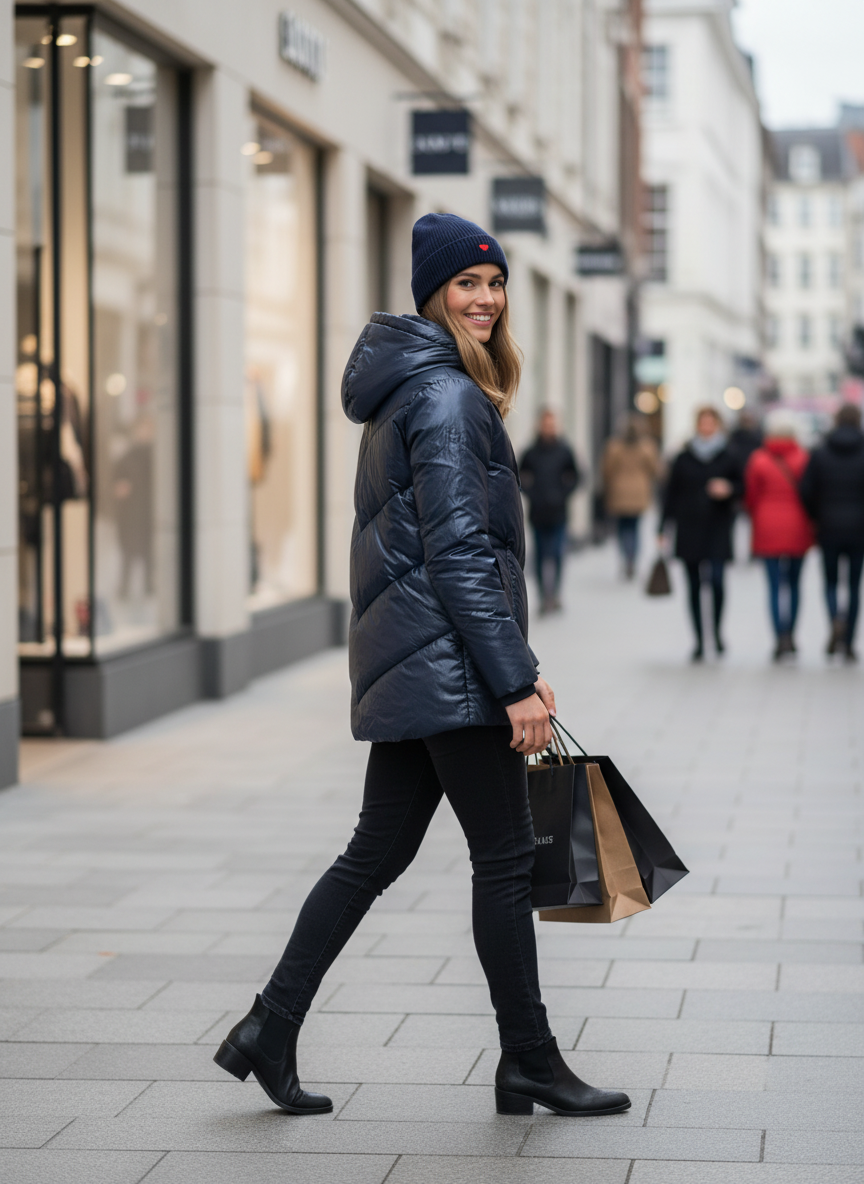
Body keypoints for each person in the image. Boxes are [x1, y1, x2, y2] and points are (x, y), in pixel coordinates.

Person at [213, 213, 630, 1120]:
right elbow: (458, 553)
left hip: (421, 662)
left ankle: (269, 1027)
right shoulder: (445, 398)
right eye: (466, 284)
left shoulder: (413, 389)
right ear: (433, 294)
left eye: (494, 282)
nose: (485, 299)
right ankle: (530, 1059)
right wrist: (513, 680)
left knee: (374, 852)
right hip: (450, 671)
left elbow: (446, 550)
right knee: (507, 861)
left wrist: (520, 667)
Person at [660, 406, 742, 661]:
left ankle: (716, 634)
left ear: (717, 425)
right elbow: (670, 494)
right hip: (689, 528)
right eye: (703, 423)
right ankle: (698, 640)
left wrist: (728, 489)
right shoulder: (683, 457)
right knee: (694, 586)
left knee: (717, 581)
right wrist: (662, 528)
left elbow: (743, 487)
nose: (706, 427)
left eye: (711, 423)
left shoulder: (728, 456)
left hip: (718, 527)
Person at [744, 411, 813, 659]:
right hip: (798, 526)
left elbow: (750, 496)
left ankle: (778, 637)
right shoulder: (804, 458)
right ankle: (791, 635)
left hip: (767, 525)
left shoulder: (758, 459)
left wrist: (757, 515)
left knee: (773, 586)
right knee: (794, 585)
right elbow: (811, 493)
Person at [799, 403, 864, 661]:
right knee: (854, 586)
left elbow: (806, 490)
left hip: (828, 527)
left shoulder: (821, 452)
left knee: (830, 582)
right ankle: (848, 641)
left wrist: (816, 515)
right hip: (859, 529)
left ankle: (834, 620)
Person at [519, 409, 581, 612]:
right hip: (537, 513)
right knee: (539, 556)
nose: (549, 427)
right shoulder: (530, 452)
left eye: (552, 424)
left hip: (559, 512)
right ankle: (543, 596)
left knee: (557, 554)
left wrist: (563, 493)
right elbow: (518, 476)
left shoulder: (564, 450)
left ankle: (555, 594)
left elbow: (577, 476)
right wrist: (532, 493)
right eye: (546, 424)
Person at [601, 414, 663, 578]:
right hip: (639, 493)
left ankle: (626, 557)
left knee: (622, 528)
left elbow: (607, 470)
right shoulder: (647, 447)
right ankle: (631, 558)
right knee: (634, 528)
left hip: (619, 492)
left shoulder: (614, 446)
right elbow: (656, 470)